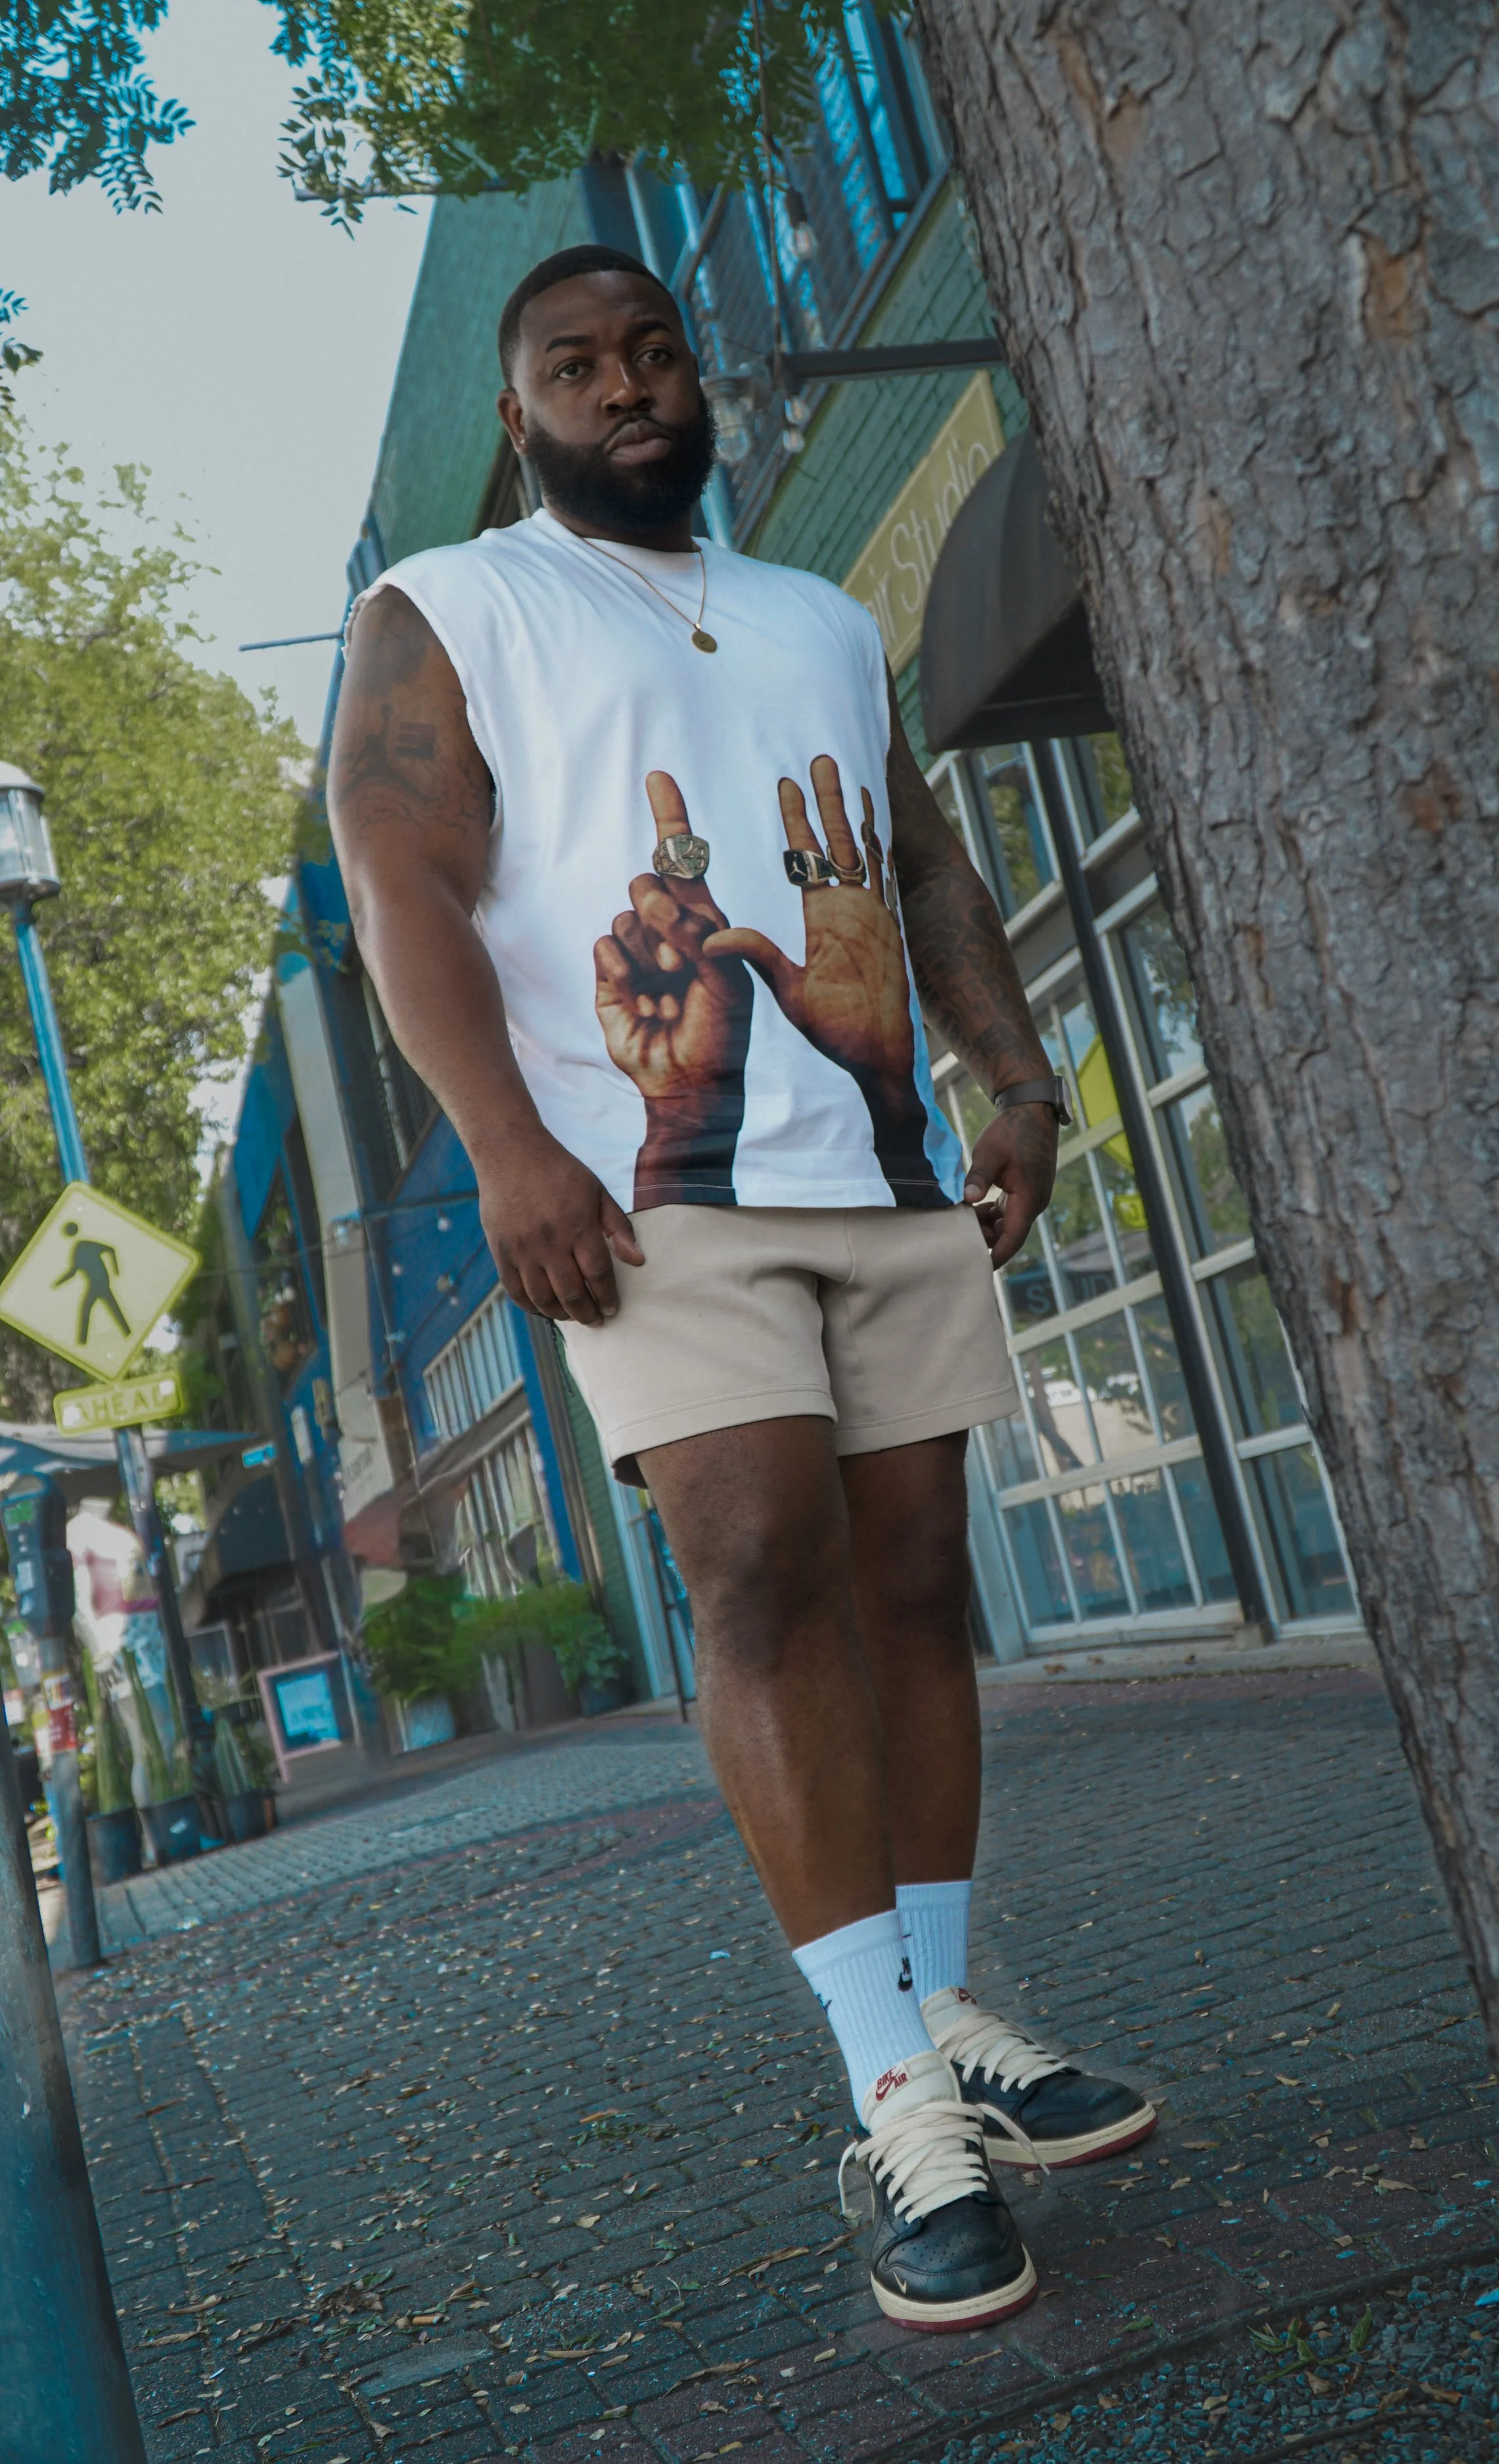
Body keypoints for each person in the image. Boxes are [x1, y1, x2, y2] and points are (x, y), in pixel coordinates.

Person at [331, 243, 1157, 2332]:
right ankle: (889, 2090)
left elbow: (919, 853)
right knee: (763, 1571)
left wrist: (1015, 1065)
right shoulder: (455, 606)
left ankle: (945, 2008)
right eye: (574, 366)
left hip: (878, 1167)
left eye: (654, 352)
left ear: (698, 380)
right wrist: (512, 1148)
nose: (626, 386)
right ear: (519, 409)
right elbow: (395, 870)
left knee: (911, 1589)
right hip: (641, 1189)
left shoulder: (815, 614)